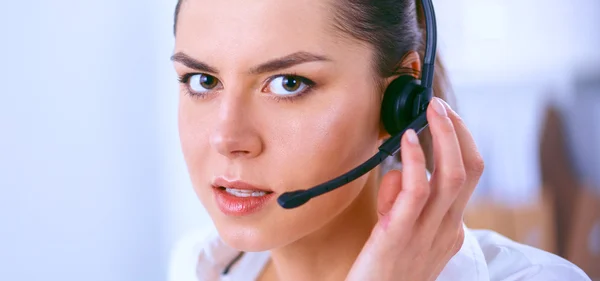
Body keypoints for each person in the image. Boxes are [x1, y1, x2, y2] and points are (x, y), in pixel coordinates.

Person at [168, 0, 592, 280]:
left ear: (399, 100)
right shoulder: (200, 265)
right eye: (202, 80)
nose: (227, 138)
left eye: (288, 83)